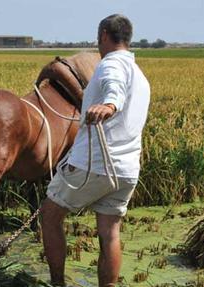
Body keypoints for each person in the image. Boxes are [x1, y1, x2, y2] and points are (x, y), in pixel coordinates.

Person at [40, 14, 151, 287]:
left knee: (50, 216)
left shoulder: (110, 64)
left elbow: (115, 89)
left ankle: (57, 284)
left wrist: (109, 105)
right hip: (126, 172)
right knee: (110, 233)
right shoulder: (141, 76)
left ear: (103, 34)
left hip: (94, 165)